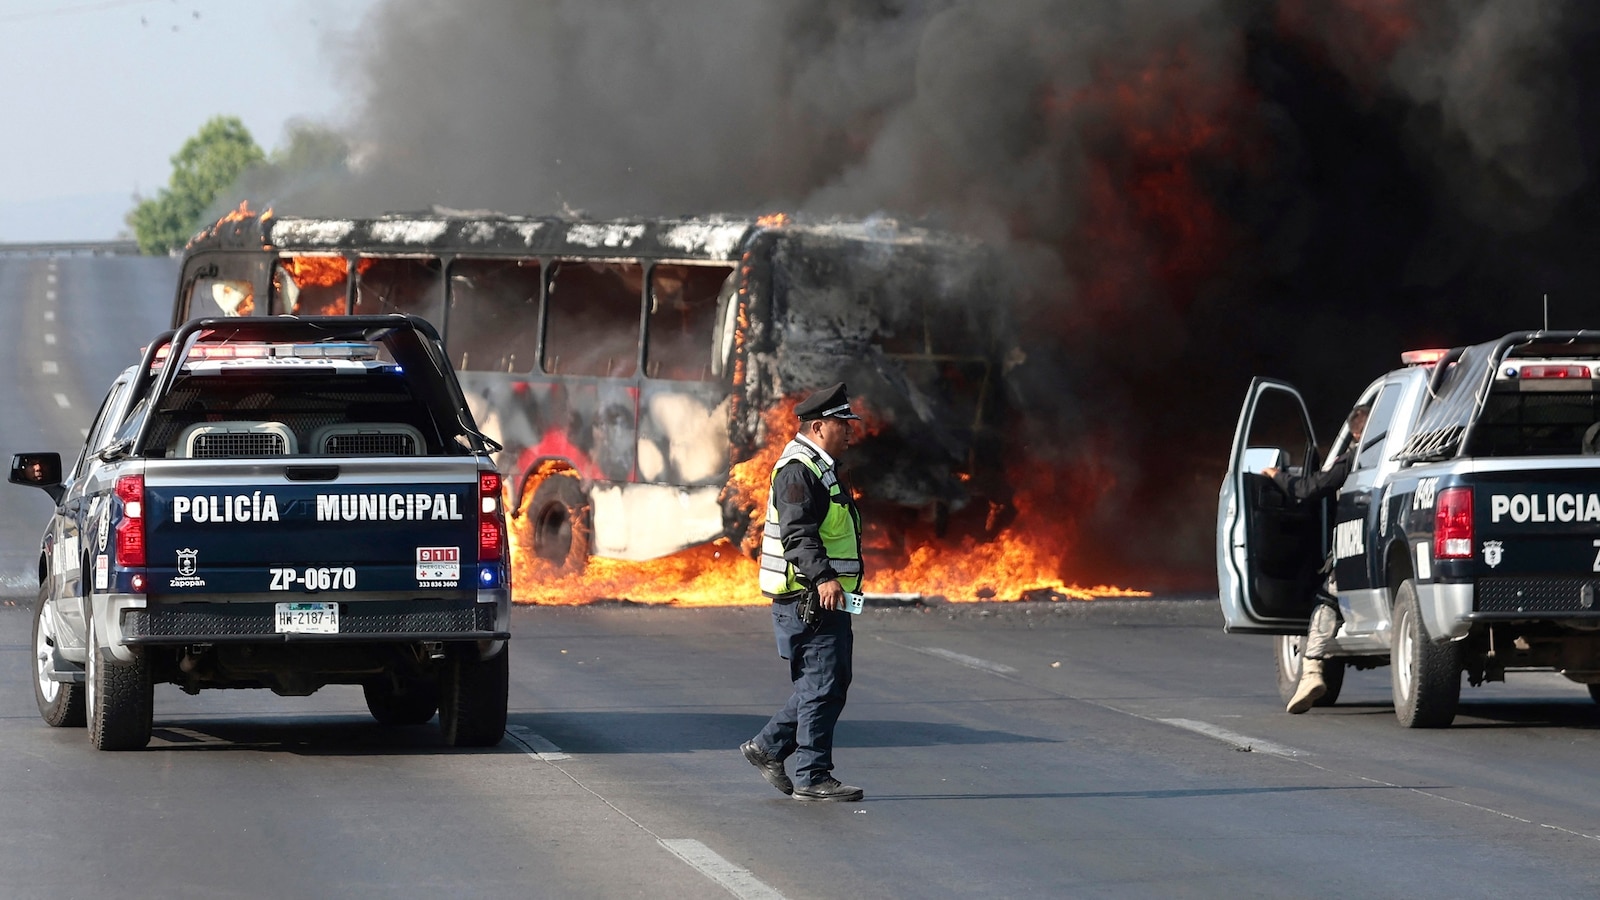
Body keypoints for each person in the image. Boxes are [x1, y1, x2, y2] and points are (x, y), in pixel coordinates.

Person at [741, 382, 867, 802]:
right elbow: (798, 535)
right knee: (822, 684)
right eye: (842, 424)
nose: (850, 431)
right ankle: (812, 775)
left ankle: (768, 747)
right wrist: (823, 577)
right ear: (818, 427)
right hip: (807, 599)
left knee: (828, 681)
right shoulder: (799, 469)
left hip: (822, 599)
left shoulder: (820, 466)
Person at [1264, 404, 1370, 714]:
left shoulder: (1353, 459)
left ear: (1354, 433)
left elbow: (1312, 488)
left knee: (1326, 598)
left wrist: (1277, 477)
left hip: (1357, 548)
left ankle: (1311, 671)